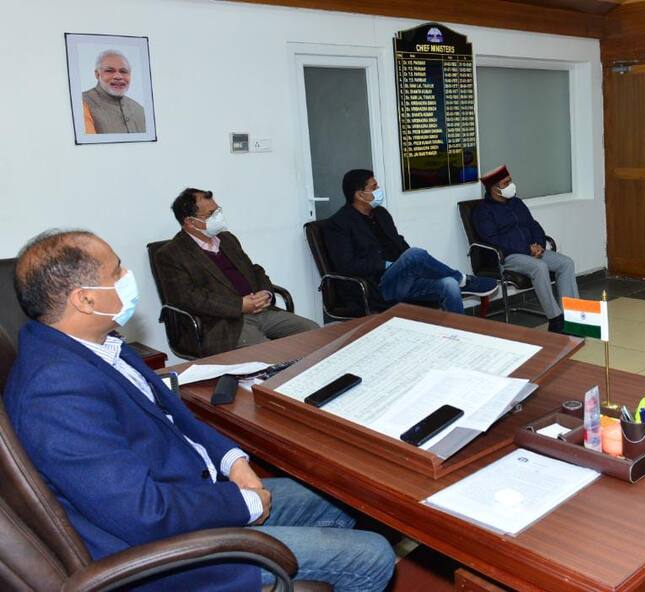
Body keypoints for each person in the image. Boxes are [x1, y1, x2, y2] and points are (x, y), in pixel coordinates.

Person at [4, 230, 395, 591]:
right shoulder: (54, 391)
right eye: (116, 270)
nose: (127, 276)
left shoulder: (101, 345)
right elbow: (143, 514)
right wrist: (241, 504)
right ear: (85, 299)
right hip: (170, 552)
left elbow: (177, 418)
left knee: (338, 499)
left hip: (193, 493)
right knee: (372, 555)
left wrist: (232, 460)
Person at [155, 188, 319, 355]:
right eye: (211, 214)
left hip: (260, 310)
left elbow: (254, 270)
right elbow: (189, 298)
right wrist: (239, 306)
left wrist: (265, 293)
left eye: (218, 210)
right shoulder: (170, 254)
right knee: (273, 353)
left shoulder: (227, 239)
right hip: (222, 324)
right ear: (191, 222)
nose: (218, 217)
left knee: (314, 332)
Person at [323, 169, 497, 314]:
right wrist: (387, 265)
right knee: (414, 255)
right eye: (374, 187)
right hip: (375, 287)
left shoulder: (381, 214)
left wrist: (408, 265)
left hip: (402, 279)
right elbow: (347, 265)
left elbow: (399, 243)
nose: (379, 190)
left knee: (449, 284)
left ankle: (459, 334)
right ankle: (463, 280)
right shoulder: (338, 224)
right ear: (360, 195)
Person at [472, 165, 579, 333]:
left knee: (566, 263)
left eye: (510, 181)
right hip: (507, 256)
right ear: (494, 188)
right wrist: (526, 249)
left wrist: (539, 245)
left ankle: (572, 317)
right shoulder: (483, 211)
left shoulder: (517, 203)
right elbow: (494, 240)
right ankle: (556, 320)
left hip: (532, 251)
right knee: (540, 267)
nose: (511, 185)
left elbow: (533, 225)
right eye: (506, 183)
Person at [81, 49, 146, 134]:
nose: (118, 76)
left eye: (123, 71)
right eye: (109, 71)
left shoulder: (139, 109)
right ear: (97, 74)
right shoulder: (82, 103)